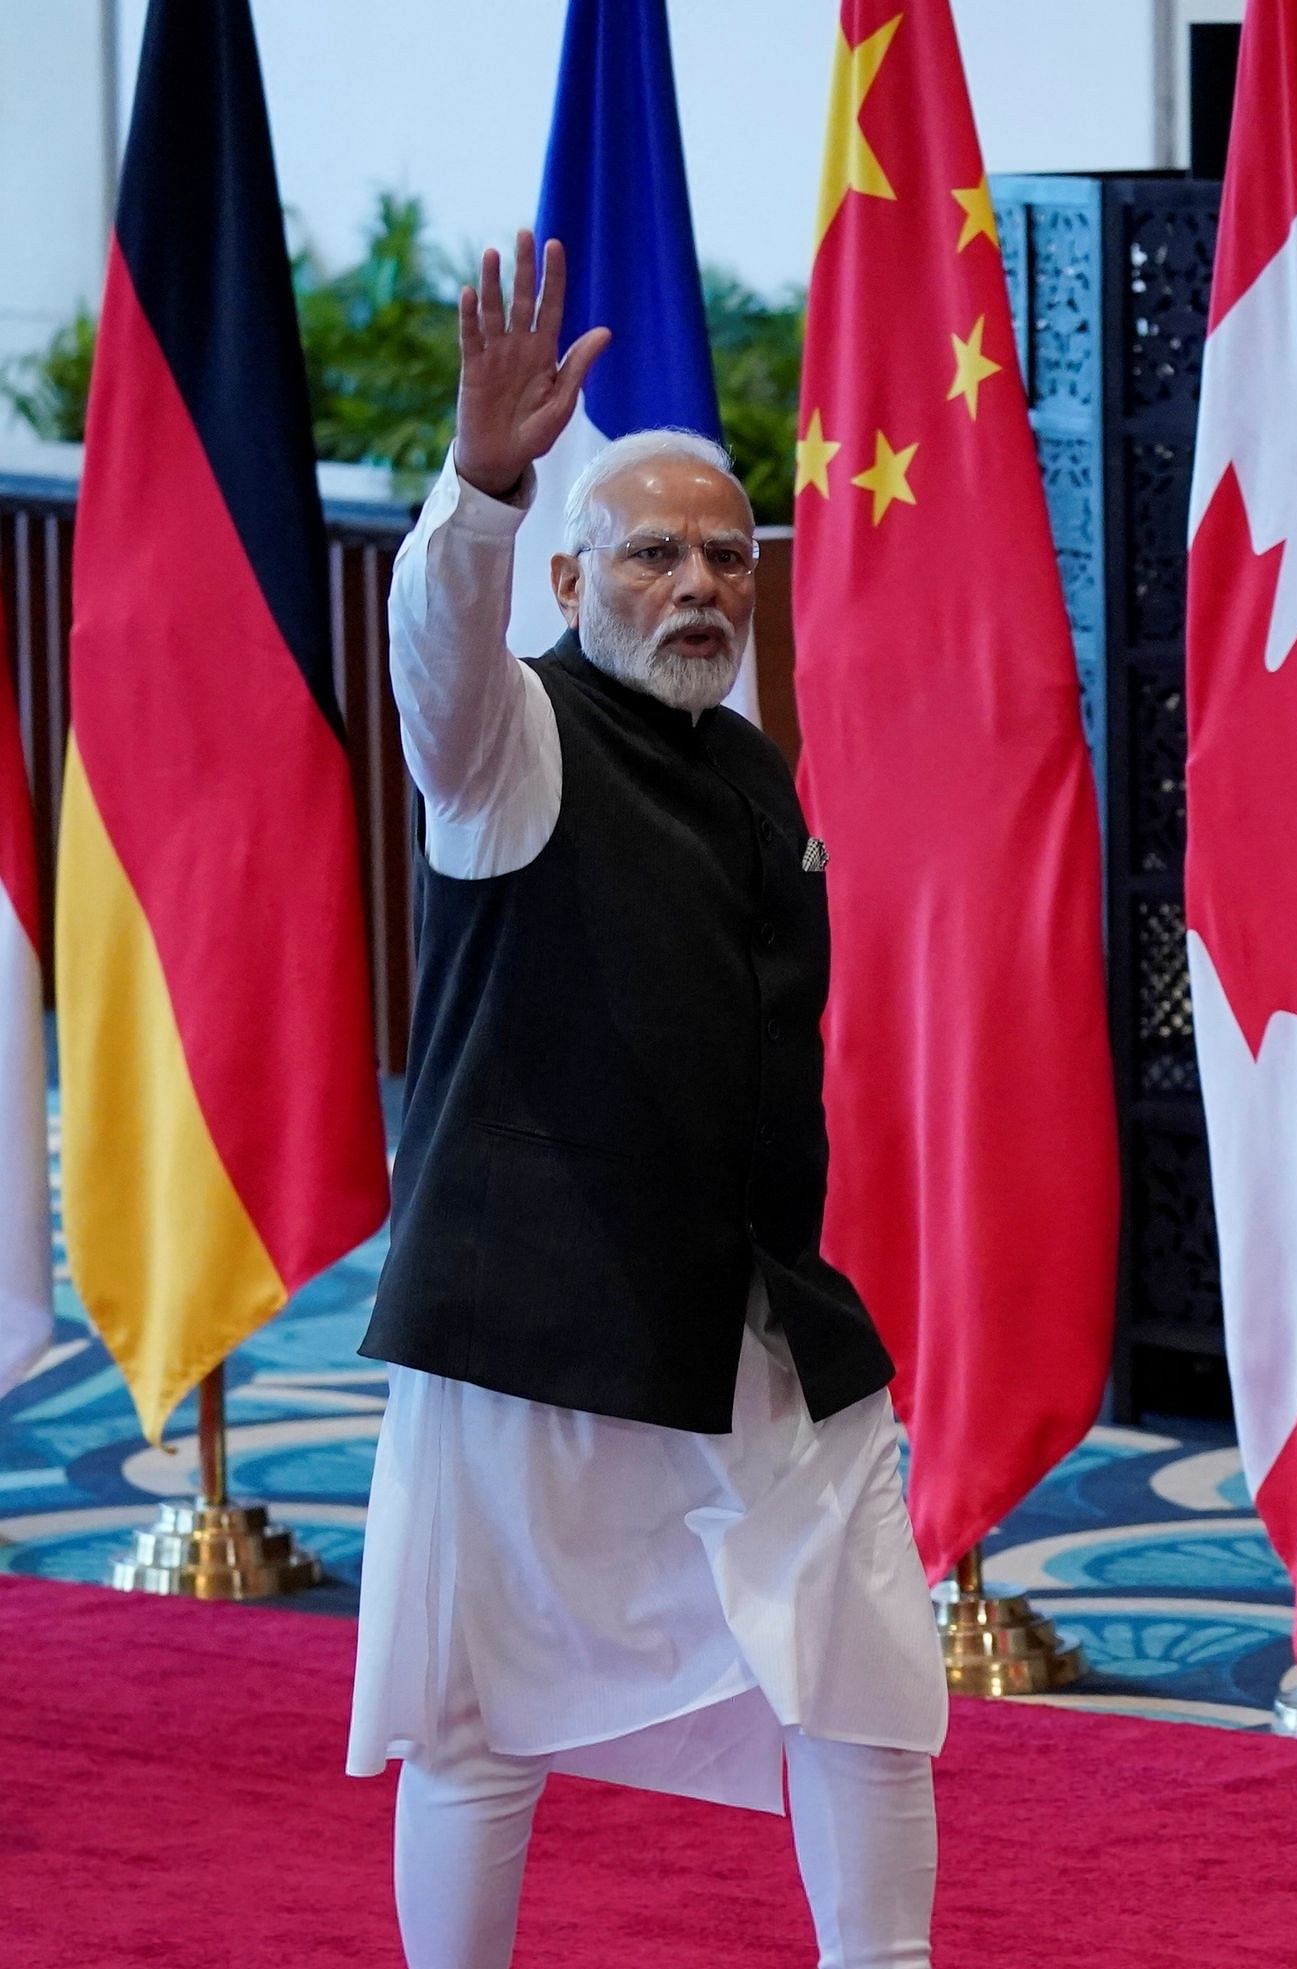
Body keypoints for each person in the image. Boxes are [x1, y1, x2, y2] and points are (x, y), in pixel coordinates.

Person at [342, 231, 945, 1969]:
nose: (698, 583)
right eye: (654, 553)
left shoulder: (752, 763)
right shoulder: (510, 744)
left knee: (870, 1667)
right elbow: (435, 665)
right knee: (476, 1722)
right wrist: (481, 483)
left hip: (757, 1311)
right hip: (535, 1320)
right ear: (569, 580)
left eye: (723, 556)